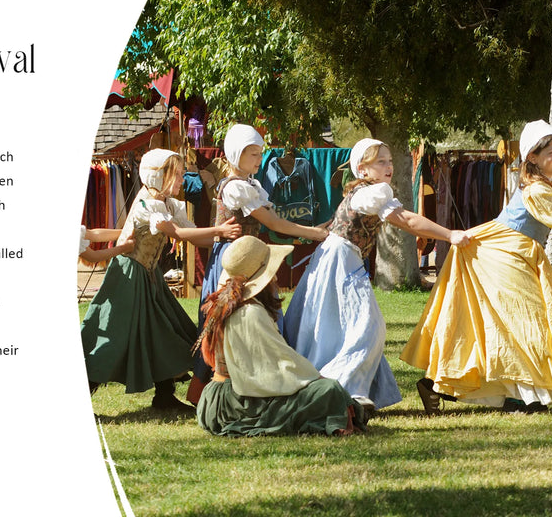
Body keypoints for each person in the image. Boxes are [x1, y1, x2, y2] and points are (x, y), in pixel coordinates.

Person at [402, 120, 552, 414]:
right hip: (502, 255)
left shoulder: (549, 184)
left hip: (517, 254)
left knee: (521, 325)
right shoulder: (536, 191)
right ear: (533, 157)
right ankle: (519, 396)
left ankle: (496, 393)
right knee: (524, 324)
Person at [281, 138, 471, 414]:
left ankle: (341, 390)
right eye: (380, 161)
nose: (389, 166)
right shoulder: (375, 191)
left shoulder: (365, 192)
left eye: (390, 160)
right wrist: (449, 234)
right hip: (341, 262)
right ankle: (344, 391)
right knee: (367, 326)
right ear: (362, 169)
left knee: (331, 328)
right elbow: (406, 220)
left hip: (337, 260)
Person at [80, 149, 242, 411]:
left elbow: (192, 233)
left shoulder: (167, 203)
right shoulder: (148, 205)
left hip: (148, 274)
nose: (181, 179)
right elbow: (179, 233)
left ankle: (164, 395)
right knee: (112, 336)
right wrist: (220, 230)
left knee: (168, 328)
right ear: (156, 176)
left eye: (180, 174)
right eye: (175, 174)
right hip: (127, 276)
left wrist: (221, 240)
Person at [189, 124, 329, 402]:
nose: (258, 159)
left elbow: (273, 224)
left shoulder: (251, 185)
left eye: (259, 153)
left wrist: (314, 229)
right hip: (234, 261)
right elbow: (273, 223)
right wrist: (315, 233)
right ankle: (202, 394)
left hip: (251, 258)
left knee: (266, 317)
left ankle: (268, 380)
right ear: (235, 154)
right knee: (220, 324)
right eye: (252, 154)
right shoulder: (236, 188)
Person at [196, 235, 367, 437]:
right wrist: (314, 378)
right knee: (329, 391)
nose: (275, 277)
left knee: (327, 389)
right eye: (272, 272)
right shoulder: (250, 313)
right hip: (233, 405)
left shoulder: (234, 305)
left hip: (219, 400)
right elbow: (277, 367)